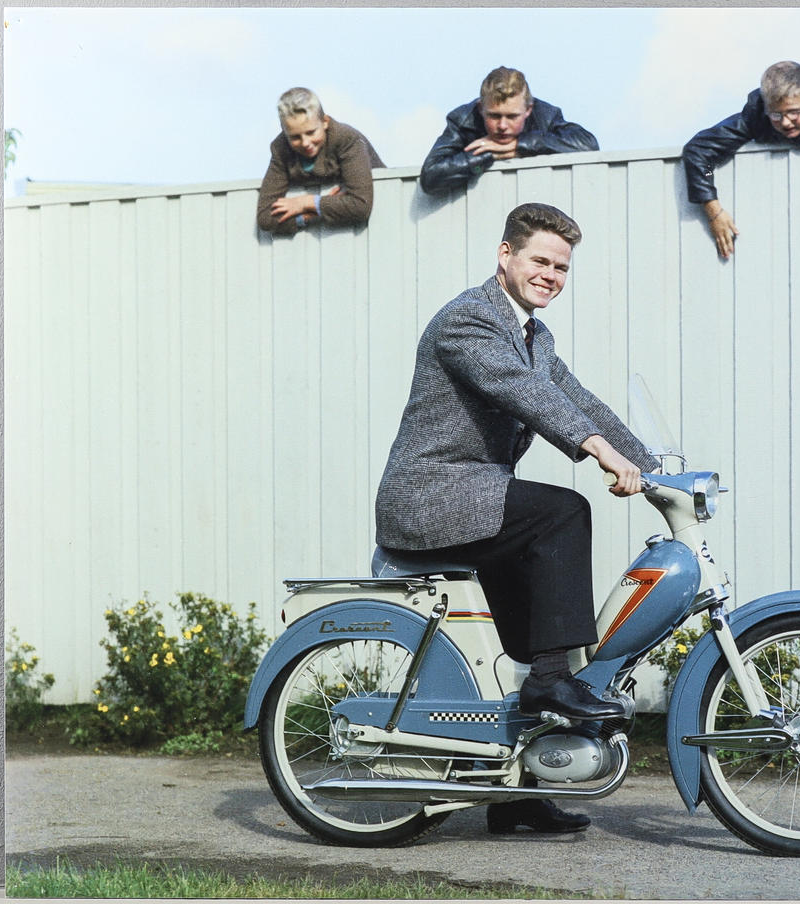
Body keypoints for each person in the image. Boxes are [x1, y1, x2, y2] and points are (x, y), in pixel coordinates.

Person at [374, 202, 657, 834]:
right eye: (540, 260)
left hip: (478, 503)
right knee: (561, 512)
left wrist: (655, 466)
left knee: (525, 638)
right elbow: (524, 395)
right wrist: (601, 456)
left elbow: (575, 398)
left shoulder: (534, 335)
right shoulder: (469, 320)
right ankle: (553, 684)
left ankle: (518, 791)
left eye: (561, 267)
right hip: (432, 499)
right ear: (506, 255)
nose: (551, 275)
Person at [681, 61, 800, 282]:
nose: (785, 122)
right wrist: (714, 211)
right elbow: (698, 152)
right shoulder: (757, 114)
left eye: (793, 113)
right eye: (776, 115)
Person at [419, 67, 599, 194]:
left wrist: (520, 145)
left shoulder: (546, 115)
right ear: (481, 108)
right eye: (494, 116)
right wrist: (488, 155)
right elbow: (431, 176)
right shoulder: (463, 119)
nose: (503, 126)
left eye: (512, 117)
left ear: (528, 110)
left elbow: (588, 145)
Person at [255, 87, 385, 236]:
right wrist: (309, 214)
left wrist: (306, 202)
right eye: (295, 137)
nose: (305, 142)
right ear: (284, 132)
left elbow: (360, 206)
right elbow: (265, 218)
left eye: (311, 132)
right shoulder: (281, 148)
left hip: (378, 226)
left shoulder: (347, 139)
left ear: (325, 122)